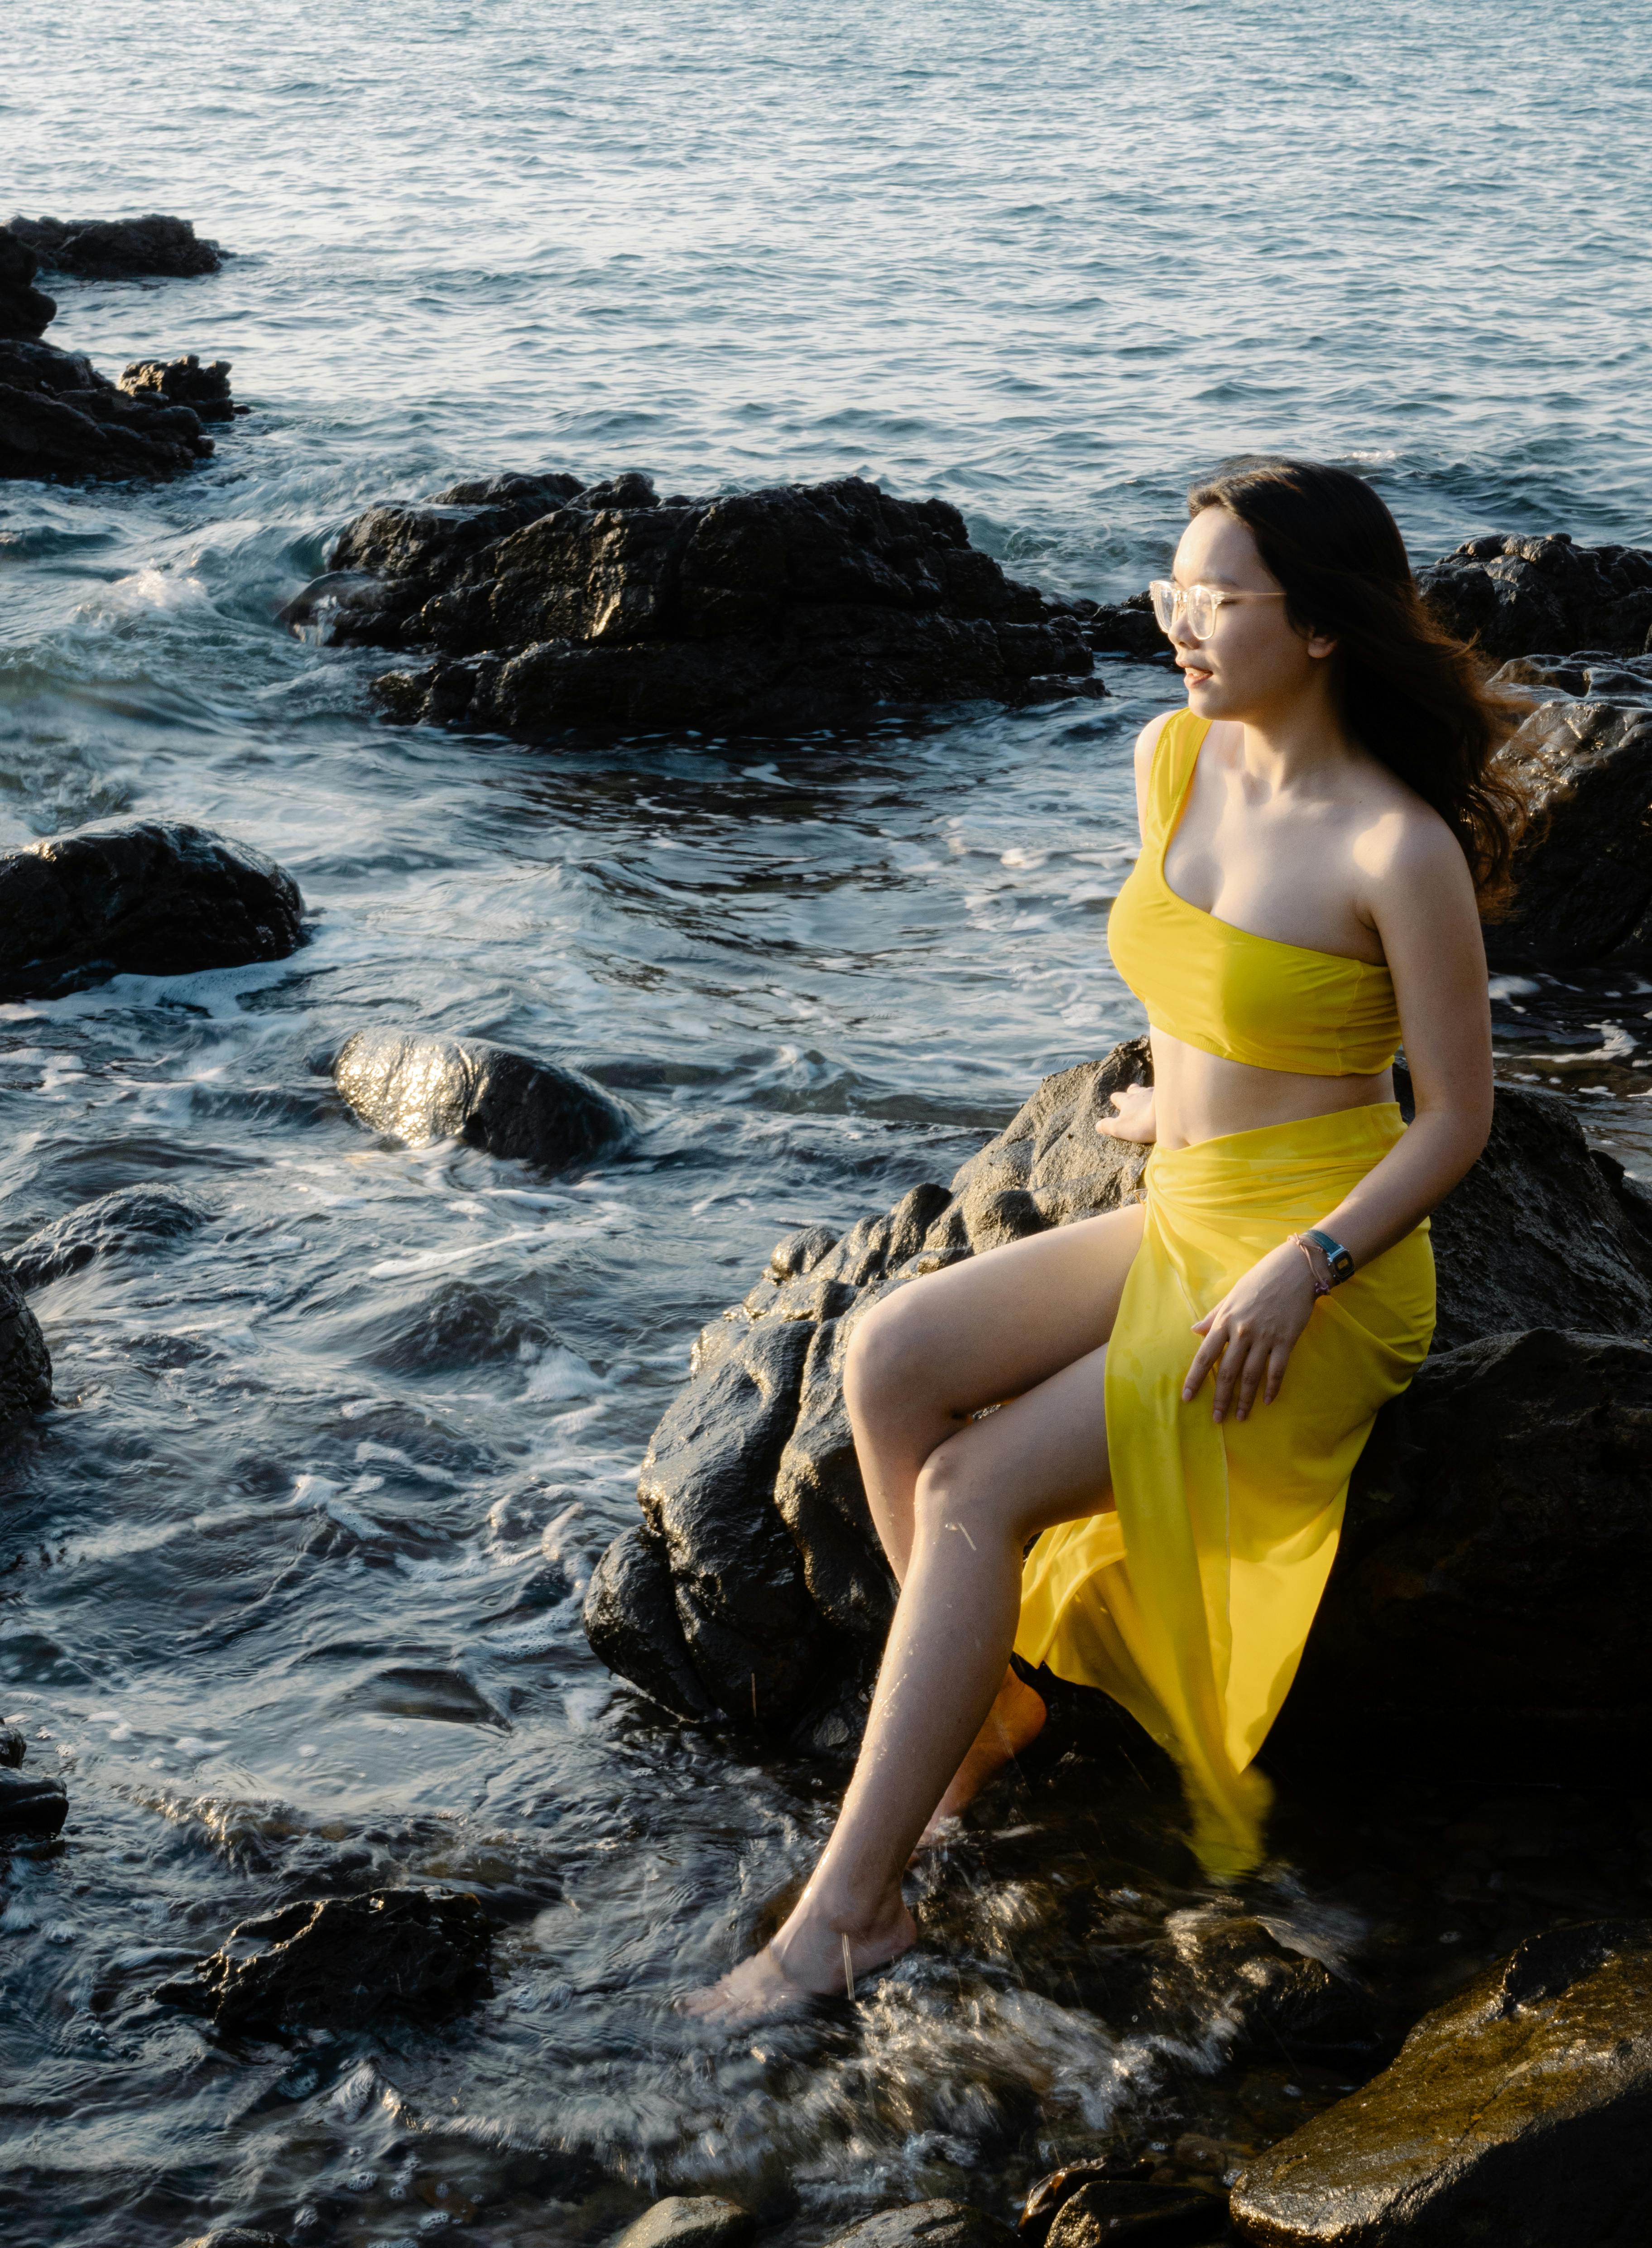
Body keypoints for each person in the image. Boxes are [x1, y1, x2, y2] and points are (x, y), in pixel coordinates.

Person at [687, 456, 1528, 2024]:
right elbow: (1184, 978)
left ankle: (845, 1915)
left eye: (1219, 599)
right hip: (1191, 1201)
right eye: (1173, 590)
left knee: (970, 1484)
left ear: (1326, 627)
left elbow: (1456, 1123)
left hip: (1315, 1263)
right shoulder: (1170, 757)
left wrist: (1308, 1261)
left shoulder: (1395, 849)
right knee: (887, 1359)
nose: (1183, 626)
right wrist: (1168, 1114)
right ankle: (986, 1703)